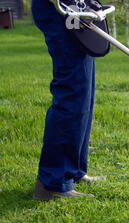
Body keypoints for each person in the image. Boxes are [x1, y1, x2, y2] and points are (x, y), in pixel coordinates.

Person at [32, 0, 104, 201]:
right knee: (72, 91)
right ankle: (53, 182)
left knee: (84, 92)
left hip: (76, 8)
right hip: (58, 8)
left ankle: (74, 170)